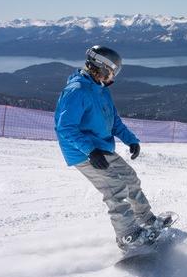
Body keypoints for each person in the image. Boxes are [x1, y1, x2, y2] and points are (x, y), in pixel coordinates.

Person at [54, 45, 167, 251]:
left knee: (130, 179)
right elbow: (65, 127)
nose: (114, 75)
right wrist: (90, 150)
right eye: (112, 70)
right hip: (83, 151)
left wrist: (130, 140)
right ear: (100, 67)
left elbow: (113, 120)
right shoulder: (76, 91)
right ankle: (127, 236)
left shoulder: (101, 89)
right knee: (115, 188)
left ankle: (146, 220)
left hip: (100, 147)